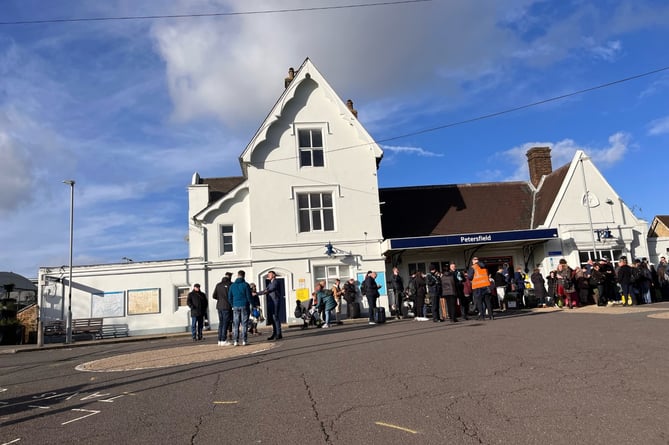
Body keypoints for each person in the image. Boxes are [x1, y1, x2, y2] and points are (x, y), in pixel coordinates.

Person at [256, 271, 284, 341]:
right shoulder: (270, 283)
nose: (268, 276)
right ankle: (274, 333)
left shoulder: (275, 282)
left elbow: (268, 290)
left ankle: (278, 334)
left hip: (275, 302)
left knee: (275, 317)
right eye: (268, 275)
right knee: (272, 318)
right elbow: (265, 290)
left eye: (269, 274)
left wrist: (256, 294)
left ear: (274, 275)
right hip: (271, 302)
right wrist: (257, 293)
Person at [228, 270, 253, 346]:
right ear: (244, 276)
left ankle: (235, 341)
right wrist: (252, 304)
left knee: (236, 324)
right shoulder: (246, 285)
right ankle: (244, 340)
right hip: (244, 305)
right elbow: (249, 296)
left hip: (235, 306)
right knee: (244, 323)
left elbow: (229, 297)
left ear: (237, 275)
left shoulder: (232, 286)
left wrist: (232, 304)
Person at [212, 272, 233, 346]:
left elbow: (214, 296)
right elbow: (232, 295)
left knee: (221, 323)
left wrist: (220, 299)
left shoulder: (218, 285)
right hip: (227, 306)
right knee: (225, 323)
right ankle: (223, 339)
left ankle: (219, 340)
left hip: (219, 306)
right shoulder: (231, 285)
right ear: (230, 277)